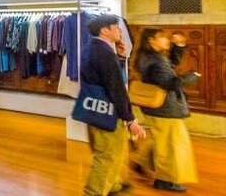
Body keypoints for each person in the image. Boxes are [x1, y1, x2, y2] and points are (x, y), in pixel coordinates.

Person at [81, 14, 146, 196]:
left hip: (93, 108)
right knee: (108, 155)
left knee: (105, 151)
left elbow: (103, 77)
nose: (119, 30)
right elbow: (116, 88)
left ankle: (113, 184)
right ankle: (93, 192)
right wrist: (130, 119)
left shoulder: (91, 48)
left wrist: (119, 58)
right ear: (105, 30)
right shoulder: (103, 52)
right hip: (107, 111)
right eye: (116, 27)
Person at [131, 28, 199, 192]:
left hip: (155, 107)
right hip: (165, 108)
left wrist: (178, 46)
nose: (167, 40)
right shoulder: (156, 61)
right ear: (151, 41)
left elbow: (169, 65)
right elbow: (169, 83)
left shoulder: (147, 57)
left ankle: (140, 162)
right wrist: (192, 76)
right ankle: (165, 180)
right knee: (170, 146)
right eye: (163, 38)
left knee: (158, 139)